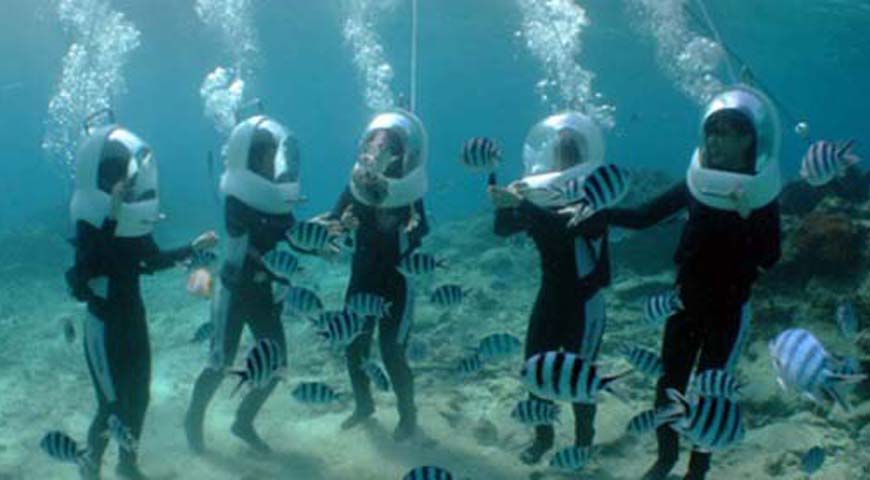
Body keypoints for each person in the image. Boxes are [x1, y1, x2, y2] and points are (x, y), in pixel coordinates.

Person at [569, 85, 782, 480]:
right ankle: (665, 459)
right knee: (669, 382)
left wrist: (748, 215)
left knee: (711, 392)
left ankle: (697, 470)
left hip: (729, 311)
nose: (714, 140)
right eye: (711, 132)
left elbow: (770, 256)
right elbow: (644, 216)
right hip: (683, 302)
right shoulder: (696, 183)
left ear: (747, 139)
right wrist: (598, 212)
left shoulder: (760, 194)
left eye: (725, 133)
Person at [66, 124, 217, 479]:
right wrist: (113, 213)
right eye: (118, 181)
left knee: (139, 397)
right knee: (110, 404)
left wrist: (192, 248)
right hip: (103, 325)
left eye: (128, 180)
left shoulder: (133, 223)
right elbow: (92, 264)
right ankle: (91, 468)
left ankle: (127, 464)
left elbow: (151, 261)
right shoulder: (91, 223)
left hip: (132, 318)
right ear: (104, 183)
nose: (126, 187)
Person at [184, 115, 329, 454]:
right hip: (233, 292)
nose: (271, 163)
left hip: (264, 295)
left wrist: (321, 240)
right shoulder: (236, 199)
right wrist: (304, 230)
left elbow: (292, 238)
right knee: (219, 363)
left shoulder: (276, 200)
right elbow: (269, 228)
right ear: (250, 160)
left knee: (277, 366)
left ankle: (243, 421)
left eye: (273, 156)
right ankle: (193, 419)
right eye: (265, 156)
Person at [488, 112, 611, 464]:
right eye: (559, 152)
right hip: (550, 298)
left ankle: (583, 444)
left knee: (581, 377)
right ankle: (543, 438)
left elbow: (563, 228)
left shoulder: (593, 197)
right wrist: (503, 200)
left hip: (585, 303)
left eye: (570, 153)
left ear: (583, 158)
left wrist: (522, 203)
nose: (563, 160)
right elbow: (503, 230)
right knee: (536, 369)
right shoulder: (540, 197)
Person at [319, 109, 429, 442]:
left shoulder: (408, 189)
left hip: (398, 282)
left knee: (392, 351)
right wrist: (333, 229)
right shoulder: (356, 186)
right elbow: (334, 221)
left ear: (397, 154)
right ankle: (363, 405)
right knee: (354, 346)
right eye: (373, 145)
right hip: (362, 279)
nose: (377, 152)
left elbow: (422, 228)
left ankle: (408, 416)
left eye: (385, 147)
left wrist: (401, 226)